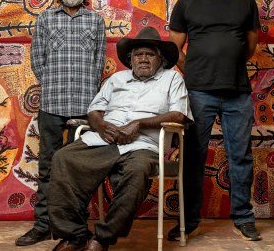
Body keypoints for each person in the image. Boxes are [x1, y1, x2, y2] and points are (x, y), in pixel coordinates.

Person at [48, 26, 192, 251]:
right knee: (62, 158)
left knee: (137, 171)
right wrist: (102, 126)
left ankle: (103, 238)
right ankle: (74, 235)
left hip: (144, 146)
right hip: (105, 140)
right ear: (130, 59)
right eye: (138, 55)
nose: (143, 59)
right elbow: (94, 110)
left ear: (160, 59)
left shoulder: (172, 78)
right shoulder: (117, 79)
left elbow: (179, 114)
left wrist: (140, 124)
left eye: (150, 54)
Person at [167, 0, 261, 241]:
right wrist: (193, 70)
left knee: (241, 156)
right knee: (193, 156)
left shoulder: (245, 2)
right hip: (198, 92)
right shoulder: (187, 3)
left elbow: (249, 46)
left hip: (238, 91)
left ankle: (243, 217)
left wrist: (228, 63)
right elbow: (173, 48)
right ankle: (189, 220)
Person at [16, 0, 107, 246]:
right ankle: (44, 224)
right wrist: (53, 86)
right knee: (47, 167)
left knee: (79, 168)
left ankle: (76, 227)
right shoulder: (45, 19)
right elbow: (37, 60)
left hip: (84, 106)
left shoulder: (95, 21)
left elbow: (98, 64)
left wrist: (88, 94)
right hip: (52, 106)